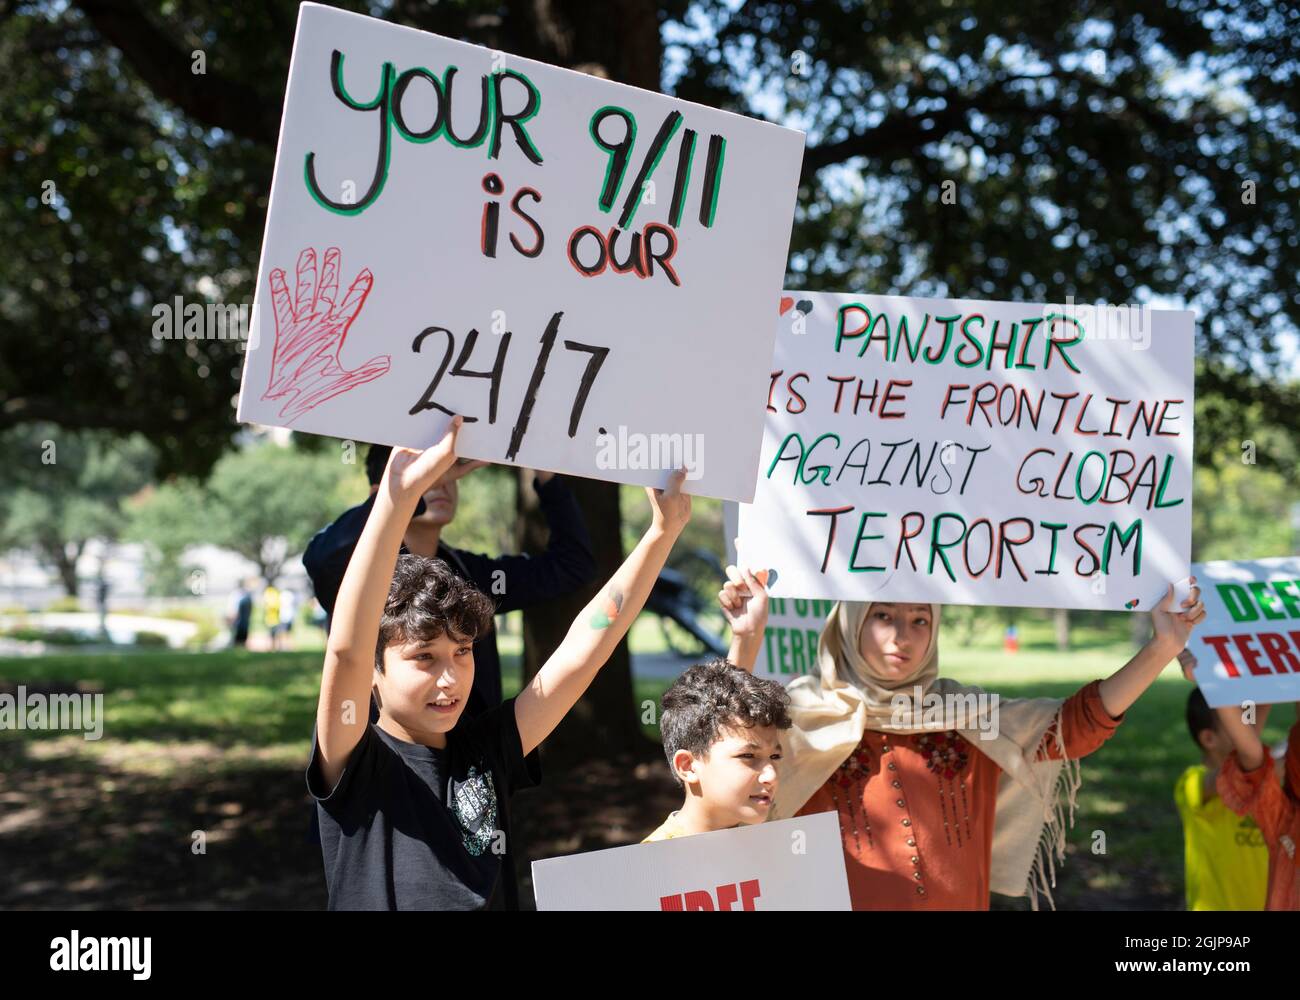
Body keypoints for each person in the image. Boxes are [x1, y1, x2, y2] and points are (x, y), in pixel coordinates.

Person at [306, 417, 691, 909]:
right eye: (423, 657)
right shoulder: (354, 757)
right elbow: (347, 648)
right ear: (374, 673)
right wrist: (395, 500)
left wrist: (661, 534)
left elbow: (583, 652)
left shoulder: (486, 750)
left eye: (462, 652)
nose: (449, 678)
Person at [719, 566, 1206, 909]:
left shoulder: (968, 718)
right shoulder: (798, 719)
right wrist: (746, 639)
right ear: (849, 622)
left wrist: (1163, 645)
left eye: (920, 620)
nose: (902, 637)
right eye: (882, 615)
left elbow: (1076, 725)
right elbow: (723, 750)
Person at [303, 442, 596, 717]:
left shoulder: (470, 574)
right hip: (388, 760)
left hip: (467, 764)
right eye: (428, 470)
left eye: (446, 470)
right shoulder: (359, 572)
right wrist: (407, 492)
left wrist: (547, 477)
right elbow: (321, 561)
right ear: (378, 494)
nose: (442, 481)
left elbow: (572, 565)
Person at [644, 659, 791, 842]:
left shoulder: (774, 844)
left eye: (775, 756)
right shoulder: (653, 863)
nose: (771, 776)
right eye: (748, 756)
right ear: (688, 766)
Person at [1173, 649, 1268, 910]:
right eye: (1234, 718)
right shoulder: (1191, 784)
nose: (1245, 725)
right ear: (1209, 739)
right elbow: (1237, 768)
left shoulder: (1265, 776)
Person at [1212, 695, 1300, 910]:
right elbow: (1249, 749)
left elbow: (1249, 751)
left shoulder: (1281, 820)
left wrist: (1246, 692)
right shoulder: (1283, 820)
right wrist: (1250, 694)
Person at [226, 580, 252, 648]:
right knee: (237, 638)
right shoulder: (237, 595)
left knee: (241, 638)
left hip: (242, 621)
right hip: (238, 621)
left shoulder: (244, 595)